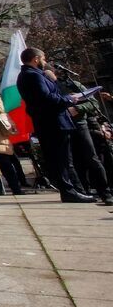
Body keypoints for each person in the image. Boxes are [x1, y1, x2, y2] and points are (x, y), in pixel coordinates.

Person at [16, 47, 93, 203]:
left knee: (64, 160)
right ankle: (69, 192)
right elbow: (46, 98)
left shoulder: (32, 75)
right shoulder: (32, 75)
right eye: (43, 58)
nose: (45, 62)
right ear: (35, 59)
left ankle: (74, 190)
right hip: (52, 123)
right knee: (60, 160)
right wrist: (69, 99)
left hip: (51, 122)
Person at [53, 67, 113, 205]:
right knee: (74, 162)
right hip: (63, 127)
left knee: (92, 158)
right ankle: (83, 191)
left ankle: (105, 192)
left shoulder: (73, 85)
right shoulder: (50, 88)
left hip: (80, 125)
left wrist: (77, 108)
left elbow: (93, 104)